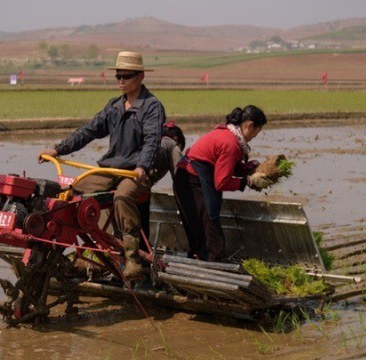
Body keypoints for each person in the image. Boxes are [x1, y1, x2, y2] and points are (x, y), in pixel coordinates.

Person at [38, 51, 166, 280]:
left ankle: (132, 257)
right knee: (73, 191)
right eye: (118, 76)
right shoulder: (114, 106)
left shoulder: (151, 106)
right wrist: (58, 149)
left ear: (141, 76)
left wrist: (143, 167)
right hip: (110, 168)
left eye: (126, 76)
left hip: (135, 171)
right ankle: (65, 246)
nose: (121, 80)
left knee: (122, 197)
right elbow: (89, 130)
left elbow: (152, 140)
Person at [173, 105, 272, 262]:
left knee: (199, 231)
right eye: (257, 131)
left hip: (186, 179)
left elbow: (225, 165)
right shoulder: (230, 143)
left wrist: (247, 169)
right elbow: (222, 182)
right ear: (249, 125)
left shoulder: (226, 133)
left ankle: (202, 262)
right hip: (192, 182)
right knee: (211, 234)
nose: (255, 136)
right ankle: (215, 269)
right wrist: (247, 181)